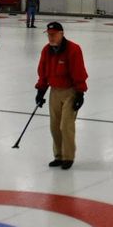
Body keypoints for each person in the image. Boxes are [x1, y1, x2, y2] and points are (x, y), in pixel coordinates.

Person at [34, 22, 88, 170]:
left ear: (61, 34)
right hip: (54, 92)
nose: (50, 37)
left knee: (66, 126)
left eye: (53, 34)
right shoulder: (46, 51)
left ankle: (68, 157)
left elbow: (79, 72)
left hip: (70, 91)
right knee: (54, 126)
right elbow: (43, 72)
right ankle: (58, 156)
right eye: (48, 34)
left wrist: (80, 93)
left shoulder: (73, 50)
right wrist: (40, 90)